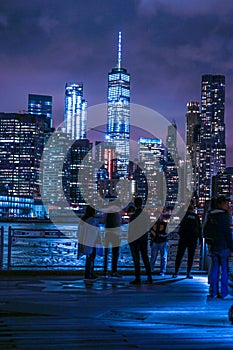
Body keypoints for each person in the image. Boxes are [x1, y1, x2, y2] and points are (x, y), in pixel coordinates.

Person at [205, 196, 233, 299]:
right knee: (224, 270)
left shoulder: (211, 215)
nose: (227, 205)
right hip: (223, 246)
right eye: (226, 203)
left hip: (213, 246)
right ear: (220, 204)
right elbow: (227, 233)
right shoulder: (225, 216)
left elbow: (205, 230)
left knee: (214, 269)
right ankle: (224, 292)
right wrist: (231, 247)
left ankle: (214, 292)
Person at [172, 199, 202, 279]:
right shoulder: (183, 214)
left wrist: (200, 238)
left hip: (193, 238)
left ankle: (188, 273)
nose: (190, 205)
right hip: (184, 237)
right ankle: (176, 272)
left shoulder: (196, 217)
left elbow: (199, 228)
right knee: (179, 255)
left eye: (191, 204)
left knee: (190, 256)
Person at [128, 197, 152, 285]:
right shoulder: (146, 215)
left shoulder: (134, 216)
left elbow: (131, 229)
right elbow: (149, 226)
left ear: (135, 204)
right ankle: (149, 277)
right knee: (145, 258)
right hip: (143, 238)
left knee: (136, 259)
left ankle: (138, 278)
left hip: (135, 240)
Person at [78, 205, 100, 280]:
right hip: (92, 241)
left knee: (88, 257)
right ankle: (90, 273)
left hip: (85, 241)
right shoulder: (92, 220)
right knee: (91, 257)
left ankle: (88, 273)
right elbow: (95, 231)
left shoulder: (83, 219)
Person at [104, 210, 122, 277]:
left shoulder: (106, 213)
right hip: (115, 235)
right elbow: (118, 224)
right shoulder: (117, 214)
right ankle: (114, 271)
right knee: (115, 254)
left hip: (107, 234)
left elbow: (103, 221)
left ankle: (105, 270)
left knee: (106, 253)